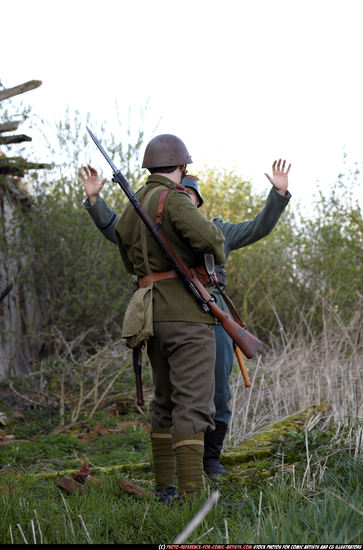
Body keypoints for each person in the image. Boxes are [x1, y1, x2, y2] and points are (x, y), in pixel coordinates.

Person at [81, 155, 291, 477]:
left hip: (213, 316)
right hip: (173, 316)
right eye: (181, 194)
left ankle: (211, 460)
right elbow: (118, 231)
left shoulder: (216, 230)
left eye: (189, 197)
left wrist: (277, 196)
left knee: (218, 391)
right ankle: (181, 471)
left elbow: (258, 227)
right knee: (170, 397)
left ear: (195, 203)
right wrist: (96, 201)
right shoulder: (152, 225)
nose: (183, 199)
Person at [80, 134, 226, 502]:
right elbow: (211, 240)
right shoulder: (174, 199)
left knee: (164, 402)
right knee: (193, 405)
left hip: (151, 316)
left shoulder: (133, 208)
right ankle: (194, 500)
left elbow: (129, 260)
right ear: (181, 167)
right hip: (187, 317)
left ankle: (166, 491)